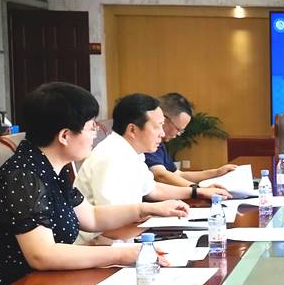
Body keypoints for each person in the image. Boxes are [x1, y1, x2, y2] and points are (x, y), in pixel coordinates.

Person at [0, 82, 188, 285]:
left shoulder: (52, 169)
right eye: (91, 128)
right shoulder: (23, 175)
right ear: (65, 135)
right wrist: (121, 255)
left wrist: (147, 209)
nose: (95, 135)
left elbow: (91, 217)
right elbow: (42, 255)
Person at [75, 93, 229, 243]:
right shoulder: (112, 158)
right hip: (98, 249)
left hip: (121, 242)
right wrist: (155, 214)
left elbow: (153, 189)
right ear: (132, 130)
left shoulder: (129, 151)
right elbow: (112, 228)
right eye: (158, 126)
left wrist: (197, 191)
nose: (162, 133)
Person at [143, 92, 238, 188]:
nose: (178, 134)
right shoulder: (146, 142)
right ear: (164, 120)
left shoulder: (159, 144)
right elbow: (160, 175)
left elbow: (178, 175)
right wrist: (199, 190)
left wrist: (217, 172)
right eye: (178, 129)